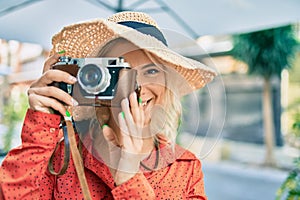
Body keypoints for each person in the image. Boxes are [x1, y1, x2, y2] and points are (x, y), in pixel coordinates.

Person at [0, 11, 216, 199]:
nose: (137, 86)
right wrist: (40, 128)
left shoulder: (185, 168)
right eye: (120, 69)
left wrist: (129, 177)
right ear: (93, 80)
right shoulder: (60, 155)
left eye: (152, 71)